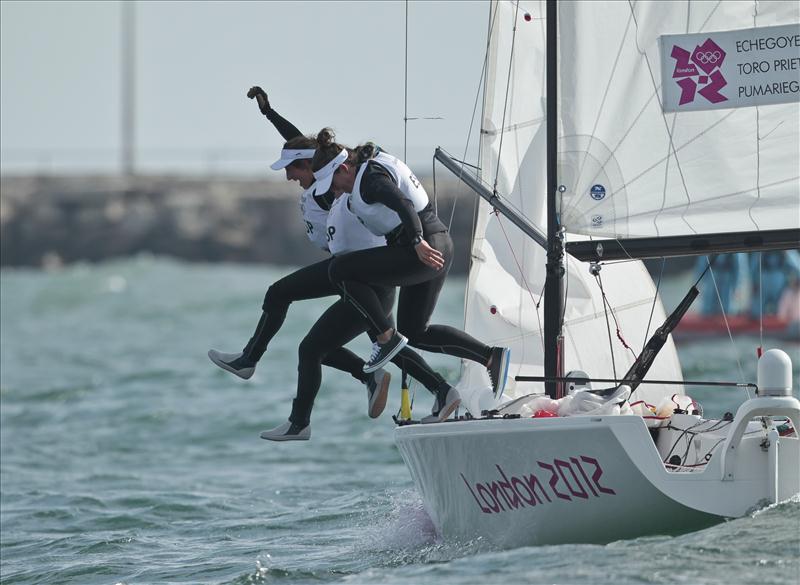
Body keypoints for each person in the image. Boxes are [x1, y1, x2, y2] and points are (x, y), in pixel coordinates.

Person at [209, 88, 456, 439]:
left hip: (365, 276)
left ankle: (257, 366)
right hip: (353, 272)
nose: (289, 177)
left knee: (294, 303)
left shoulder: (329, 187)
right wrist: (269, 113)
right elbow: (302, 146)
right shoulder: (318, 177)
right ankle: (379, 386)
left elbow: (314, 156)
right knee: (319, 343)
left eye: (293, 169)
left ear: (312, 166)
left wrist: (415, 240)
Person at [313, 129, 511, 421]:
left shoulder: (369, 180)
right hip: (436, 244)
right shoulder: (369, 163)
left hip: (420, 248)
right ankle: (490, 356)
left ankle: (385, 338)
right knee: (416, 331)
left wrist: (417, 240)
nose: (335, 191)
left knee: (339, 269)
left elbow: (403, 204)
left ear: (344, 168)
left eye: (334, 183)